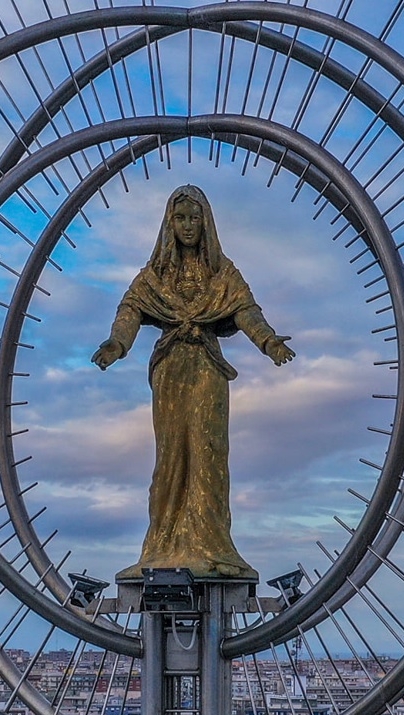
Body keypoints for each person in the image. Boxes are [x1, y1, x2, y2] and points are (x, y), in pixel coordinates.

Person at [93, 184, 295, 581]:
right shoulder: (155, 275)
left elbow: (245, 310)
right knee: (170, 456)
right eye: (180, 218)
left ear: (207, 222)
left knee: (208, 454)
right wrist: (117, 344)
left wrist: (269, 342)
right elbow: (130, 309)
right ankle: (162, 545)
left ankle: (211, 545)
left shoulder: (222, 272)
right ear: (170, 222)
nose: (188, 226)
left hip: (206, 368)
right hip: (170, 369)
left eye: (195, 218)